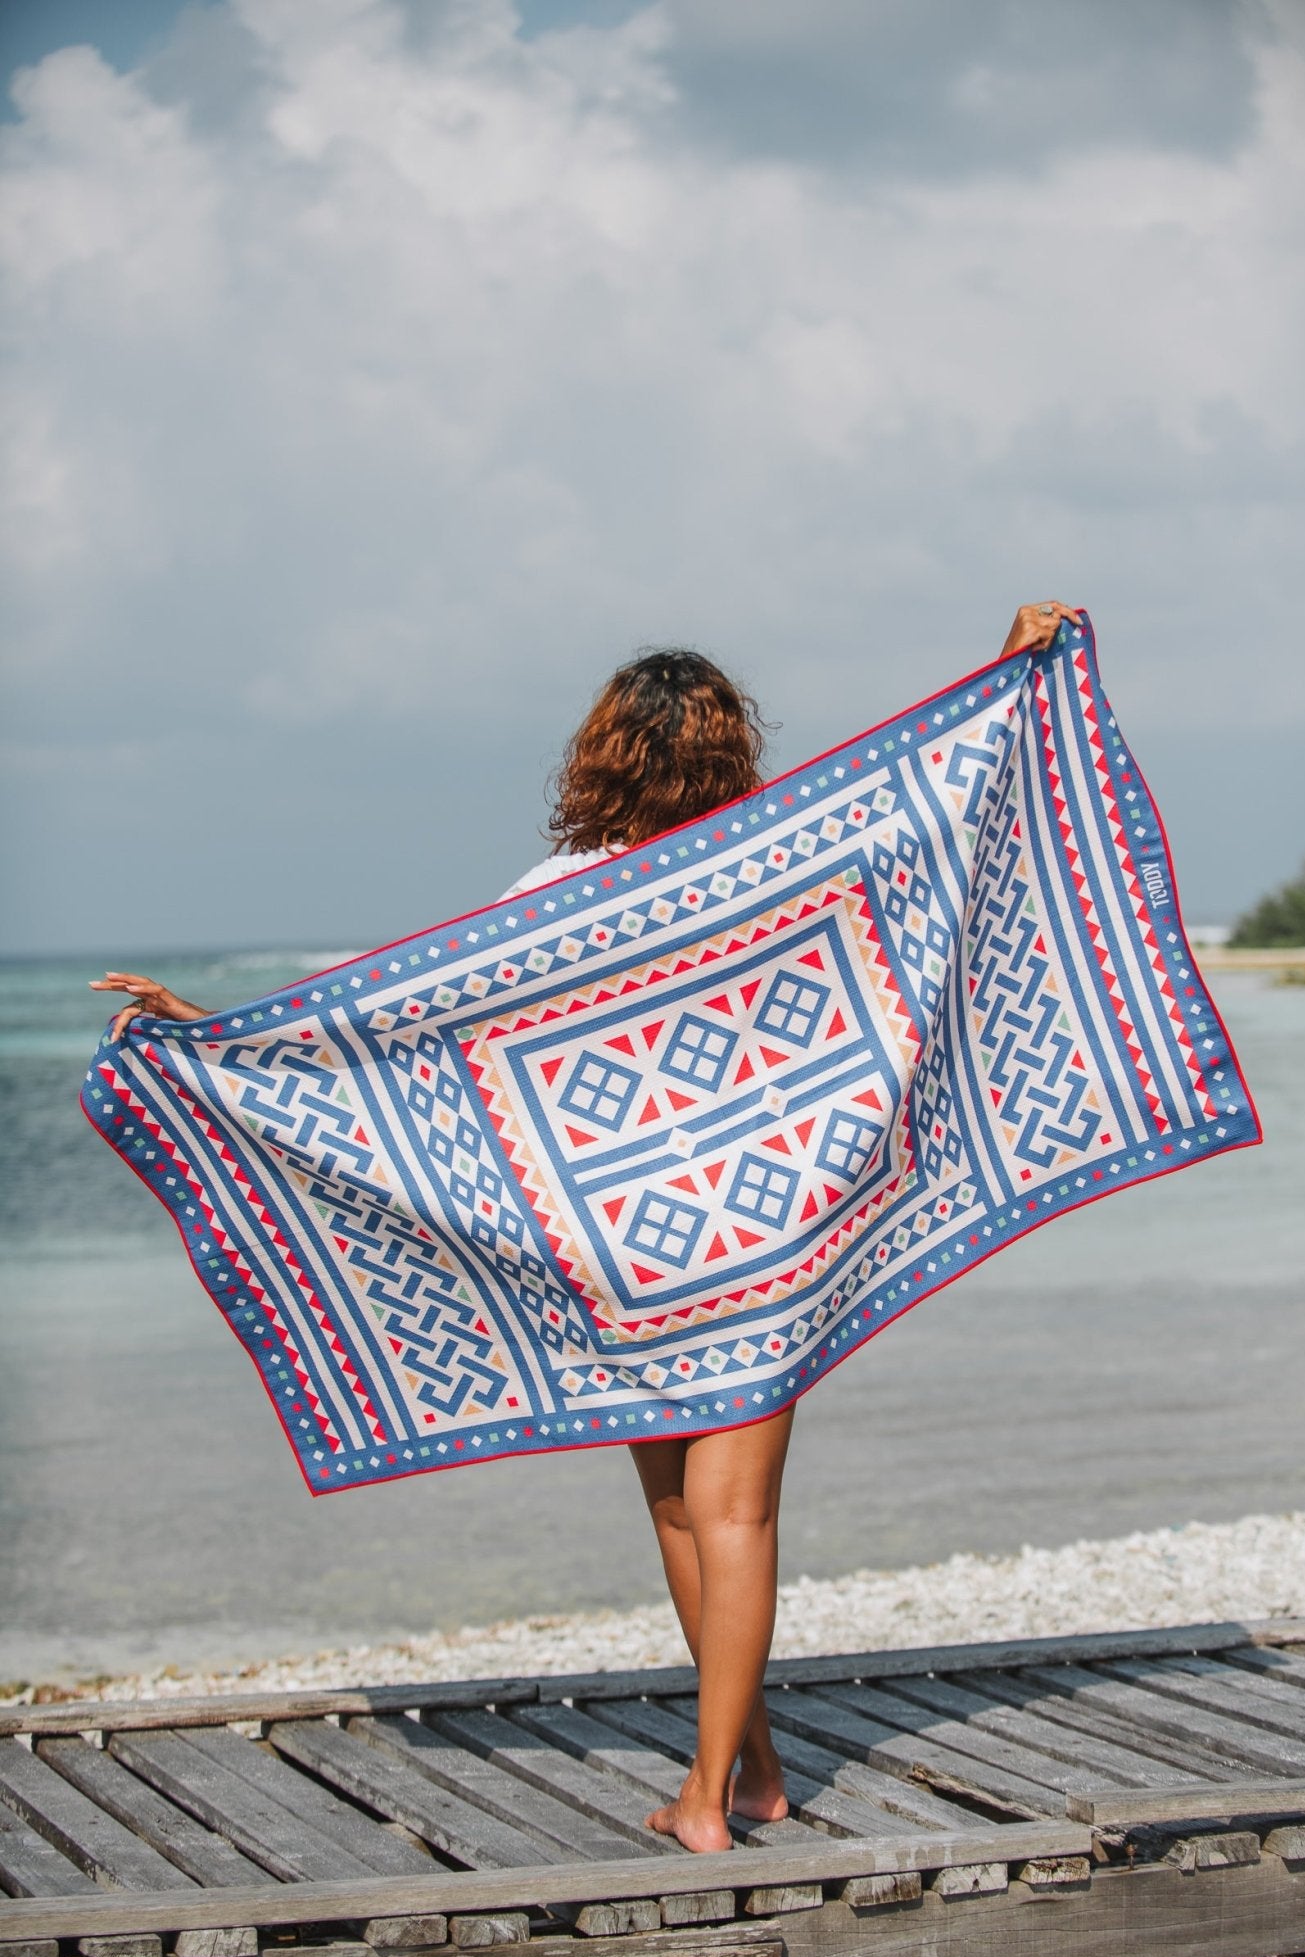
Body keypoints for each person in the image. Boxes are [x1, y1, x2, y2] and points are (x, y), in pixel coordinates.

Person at [91, 598, 1079, 1852]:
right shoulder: (777, 863)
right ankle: (727, 1786)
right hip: (762, 1239)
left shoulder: (553, 898)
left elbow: (403, 1035)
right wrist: (1008, 673)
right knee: (737, 1517)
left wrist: (217, 1035)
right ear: (729, 751)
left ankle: (734, 1780)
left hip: (622, 1252)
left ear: (602, 755)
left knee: (678, 1516)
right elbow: (925, 839)